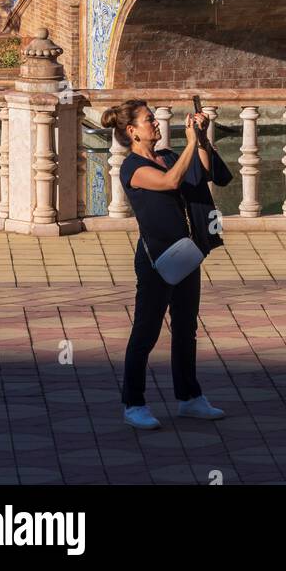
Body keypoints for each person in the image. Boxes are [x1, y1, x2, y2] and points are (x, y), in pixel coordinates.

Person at [102, 99, 229, 431]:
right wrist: (188, 144)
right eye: (148, 120)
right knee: (146, 331)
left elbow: (202, 173)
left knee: (186, 329)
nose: (156, 123)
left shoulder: (170, 155)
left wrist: (199, 139)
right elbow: (171, 182)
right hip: (156, 260)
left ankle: (189, 398)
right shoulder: (132, 168)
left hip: (186, 252)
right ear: (132, 131)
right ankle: (134, 403)